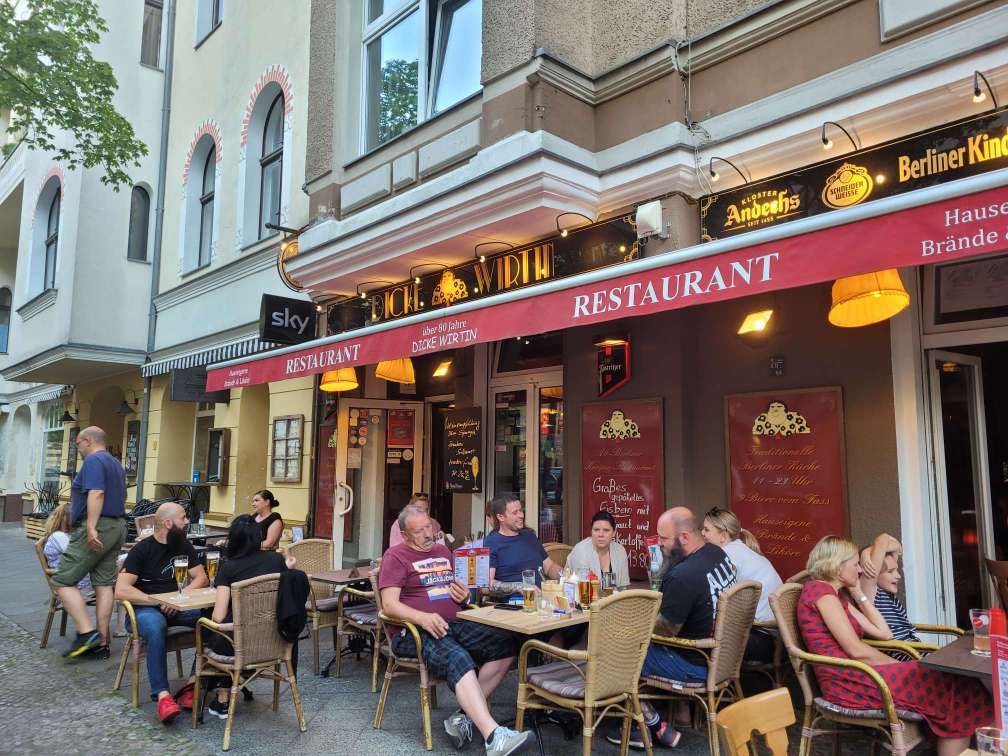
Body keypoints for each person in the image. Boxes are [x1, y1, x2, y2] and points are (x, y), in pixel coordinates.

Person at [798, 535, 992, 756]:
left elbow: (883, 632)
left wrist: (856, 592)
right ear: (837, 566)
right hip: (848, 681)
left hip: (863, 674)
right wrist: (905, 667)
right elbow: (856, 650)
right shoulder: (820, 593)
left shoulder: (836, 596)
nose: (860, 571)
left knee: (962, 686)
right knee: (953, 687)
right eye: (855, 565)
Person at [379, 505, 533, 755]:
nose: (428, 534)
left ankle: (463, 717)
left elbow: (457, 590)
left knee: (506, 643)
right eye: (419, 531)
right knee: (457, 657)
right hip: (414, 632)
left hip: (454, 623)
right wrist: (423, 618)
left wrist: (462, 597)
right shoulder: (395, 557)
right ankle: (493, 736)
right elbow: (389, 605)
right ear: (405, 535)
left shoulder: (442, 550)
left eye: (429, 526)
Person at [611, 507, 737, 748]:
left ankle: (647, 724)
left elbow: (665, 631)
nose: (659, 545)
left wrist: (629, 624)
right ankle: (679, 713)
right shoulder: (716, 554)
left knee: (619, 650)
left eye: (664, 539)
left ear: (685, 538)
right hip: (724, 657)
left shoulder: (683, 576)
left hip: (696, 664)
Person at [115, 501, 208, 723]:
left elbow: (202, 577)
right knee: (156, 627)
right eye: (183, 517)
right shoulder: (142, 549)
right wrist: (158, 601)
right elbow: (121, 589)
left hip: (176, 607)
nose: (187, 522)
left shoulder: (183, 545)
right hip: (145, 610)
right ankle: (163, 696)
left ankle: (191, 685)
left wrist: (179, 596)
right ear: (168, 523)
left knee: (212, 620)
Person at [50, 426, 127, 659]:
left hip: (98, 526)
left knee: (62, 580)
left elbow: (97, 493)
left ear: (87, 441)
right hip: (118, 525)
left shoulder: (94, 461)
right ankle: (102, 642)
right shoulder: (115, 464)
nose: (79, 449)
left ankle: (87, 633)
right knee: (103, 583)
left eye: (78, 445)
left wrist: (92, 526)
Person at [205, 515, 290, 720]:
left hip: (239, 644)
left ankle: (222, 695)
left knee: (213, 629)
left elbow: (218, 616)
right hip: (273, 639)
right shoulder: (277, 561)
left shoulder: (228, 567)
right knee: (233, 630)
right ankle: (228, 688)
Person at [701, 506, 782, 664]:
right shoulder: (740, 550)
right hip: (775, 639)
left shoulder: (728, 556)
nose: (702, 534)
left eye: (706, 530)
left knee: (696, 631)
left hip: (762, 639)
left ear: (723, 535)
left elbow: (716, 600)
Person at [484, 492, 562, 598]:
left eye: (521, 510)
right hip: (512, 606)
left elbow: (549, 567)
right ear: (501, 517)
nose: (521, 515)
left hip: (540, 602)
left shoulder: (529, 536)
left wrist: (566, 576)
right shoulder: (491, 542)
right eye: (515, 512)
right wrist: (519, 587)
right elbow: (485, 586)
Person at [858, 533, 918, 646]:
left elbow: (897, 547)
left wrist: (866, 553)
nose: (898, 576)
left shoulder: (886, 593)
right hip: (901, 653)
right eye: (890, 571)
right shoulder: (869, 591)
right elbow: (882, 539)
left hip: (914, 649)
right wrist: (866, 554)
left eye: (896, 570)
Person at [565, 510, 630, 589]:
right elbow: (583, 590)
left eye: (606, 530)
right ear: (591, 531)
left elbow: (623, 588)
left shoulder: (619, 551)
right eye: (596, 530)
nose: (601, 534)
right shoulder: (581, 551)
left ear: (614, 532)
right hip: (581, 597)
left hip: (613, 599)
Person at [41, 501, 94, 597]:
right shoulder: (58, 536)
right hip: (75, 584)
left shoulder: (63, 535)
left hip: (75, 578)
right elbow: (78, 555)